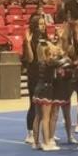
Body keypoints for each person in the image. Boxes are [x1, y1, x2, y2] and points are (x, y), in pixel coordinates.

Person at [21, 14, 46, 146]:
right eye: (41, 24)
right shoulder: (29, 40)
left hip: (44, 74)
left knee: (45, 104)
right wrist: (27, 43)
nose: (43, 26)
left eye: (43, 23)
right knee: (34, 104)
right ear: (35, 26)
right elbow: (30, 59)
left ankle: (45, 130)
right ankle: (30, 133)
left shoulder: (44, 39)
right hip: (34, 74)